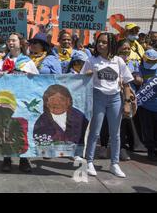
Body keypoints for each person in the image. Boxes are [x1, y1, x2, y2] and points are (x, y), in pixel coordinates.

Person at [81, 32, 135, 178]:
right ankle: (90, 161)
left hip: (115, 99)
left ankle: (114, 164)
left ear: (111, 44)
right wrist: (87, 75)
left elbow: (126, 83)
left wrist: (127, 103)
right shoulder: (91, 60)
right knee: (95, 132)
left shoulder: (118, 61)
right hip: (98, 97)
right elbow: (81, 81)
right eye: (99, 42)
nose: (100, 44)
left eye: (104, 42)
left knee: (115, 134)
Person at [0, 32, 38, 172]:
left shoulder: (28, 62)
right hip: (6, 100)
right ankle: (7, 159)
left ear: (20, 43)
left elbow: (38, 81)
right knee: (6, 129)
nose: (11, 43)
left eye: (14, 40)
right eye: (9, 40)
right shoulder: (2, 61)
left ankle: (24, 160)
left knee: (22, 130)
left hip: (22, 100)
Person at [33, 85, 88, 156]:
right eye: (52, 99)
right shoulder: (42, 121)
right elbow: (38, 139)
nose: (56, 103)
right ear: (46, 102)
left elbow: (86, 133)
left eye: (61, 99)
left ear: (68, 101)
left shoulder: (79, 116)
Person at [137, 49, 157, 161]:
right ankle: (150, 150)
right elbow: (137, 80)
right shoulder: (140, 69)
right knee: (147, 129)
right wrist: (137, 79)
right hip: (145, 106)